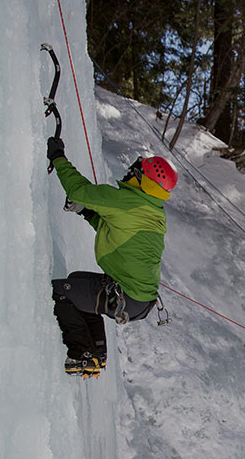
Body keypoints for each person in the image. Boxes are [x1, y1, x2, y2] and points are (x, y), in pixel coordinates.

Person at [46, 136, 177, 378]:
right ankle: (96, 353)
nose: (130, 171)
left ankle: (82, 353)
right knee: (77, 282)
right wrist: (86, 211)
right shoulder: (152, 211)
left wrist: (58, 157)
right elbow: (116, 234)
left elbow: (79, 190)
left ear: (142, 180)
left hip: (125, 296)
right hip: (138, 301)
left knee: (60, 291)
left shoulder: (128, 201)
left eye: (136, 170)